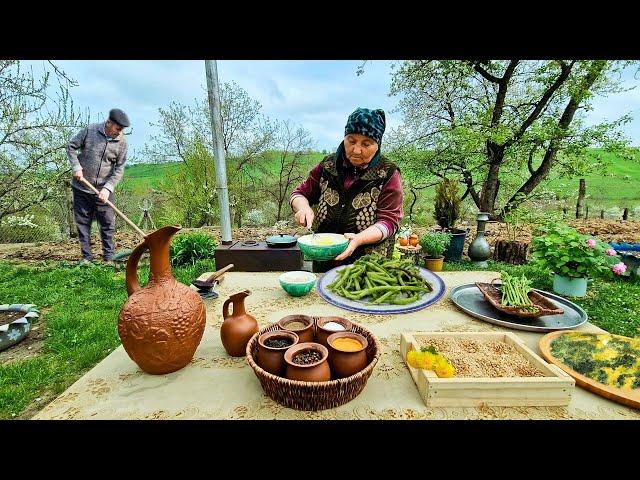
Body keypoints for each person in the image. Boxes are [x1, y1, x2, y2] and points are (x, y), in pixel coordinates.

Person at [290, 107, 404, 272]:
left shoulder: (388, 173)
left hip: (370, 266)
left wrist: (359, 239)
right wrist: (303, 208)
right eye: (351, 141)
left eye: (366, 144)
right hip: (325, 262)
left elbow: (389, 222)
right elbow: (299, 194)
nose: (357, 150)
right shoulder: (327, 165)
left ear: (377, 145)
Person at [67, 108, 130, 264]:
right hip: (82, 187)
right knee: (83, 223)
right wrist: (76, 167)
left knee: (108, 223)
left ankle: (109, 258)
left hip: (104, 189)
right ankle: (87, 258)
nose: (119, 132)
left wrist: (108, 188)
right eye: (117, 129)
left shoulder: (122, 142)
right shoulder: (90, 130)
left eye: (122, 130)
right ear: (109, 123)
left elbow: (120, 168)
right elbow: (71, 146)